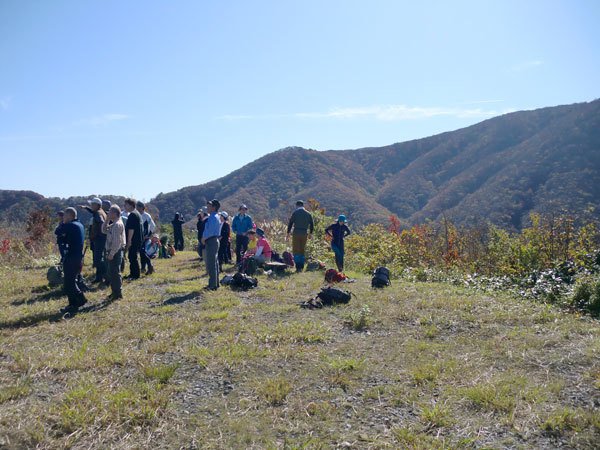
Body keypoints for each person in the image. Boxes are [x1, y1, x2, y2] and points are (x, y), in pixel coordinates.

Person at [55, 207, 86, 315]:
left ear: (69, 216)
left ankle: (76, 302)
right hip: (78, 256)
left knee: (69, 282)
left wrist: (62, 223)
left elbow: (57, 231)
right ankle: (77, 301)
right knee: (72, 281)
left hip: (72, 257)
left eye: (65, 216)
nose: (63, 218)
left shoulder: (71, 225)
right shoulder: (79, 225)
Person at [77, 197, 107, 283]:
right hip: (101, 238)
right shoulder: (100, 212)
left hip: (99, 239)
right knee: (98, 258)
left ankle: (105, 277)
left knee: (97, 259)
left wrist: (93, 236)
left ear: (97, 205)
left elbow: (100, 222)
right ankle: (99, 278)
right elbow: (94, 212)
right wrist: (85, 208)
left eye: (92, 204)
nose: (91, 206)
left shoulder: (98, 214)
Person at [102, 205, 126, 300]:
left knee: (115, 273)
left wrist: (112, 253)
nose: (108, 214)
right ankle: (115, 292)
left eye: (110, 212)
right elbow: (104, 230)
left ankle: (117, 293)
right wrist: (107, 220)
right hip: (113, 252)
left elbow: (117, 241)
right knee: (112, 272)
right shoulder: (113, 224)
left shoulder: (117, 225)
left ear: (115, 213)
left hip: (115, 252)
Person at [286, 200, 314, 272]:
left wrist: (288, 233)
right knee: (302, 249)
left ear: (297, 205)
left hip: (296, 232)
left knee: (296, 250)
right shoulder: (308, 214)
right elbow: (311, 223)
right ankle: (301, 266)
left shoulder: (295, 213)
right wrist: (310, 233)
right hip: (304, 233)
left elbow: (291, 223)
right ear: (303, 205)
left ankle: (298, 267)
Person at [202, 199, 221, 290]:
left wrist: (203, 238)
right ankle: (215, 283)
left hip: (211, 240)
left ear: (214, 207)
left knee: (211, 263)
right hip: (214, 240)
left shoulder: (213, 217)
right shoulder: (215, 216)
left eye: (209, 206)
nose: (207, 208)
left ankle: (212, 284)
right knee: (215, 262)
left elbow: (210, 231)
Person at [123, 198, 143, 279]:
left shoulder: (132, 215)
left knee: (132, 257)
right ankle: (133, 273)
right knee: (132, 256)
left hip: (134, 239)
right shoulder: (137, 213)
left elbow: (131, 229)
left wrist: (129, 241)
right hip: (138, 239)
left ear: (130, 205)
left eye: (126, 205)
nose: (124, 206)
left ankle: (135, 275)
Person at [136, 201, 156, 275]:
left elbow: (153, 225)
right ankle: (143, 267)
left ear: (142, 207)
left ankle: (150, 266)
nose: (137, 208)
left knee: (143, 252)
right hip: (138, 237)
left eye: (138, 207)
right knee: (141, 253)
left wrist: (148, 234)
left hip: (145, 237)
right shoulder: (136, 215)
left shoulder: (146, 215)